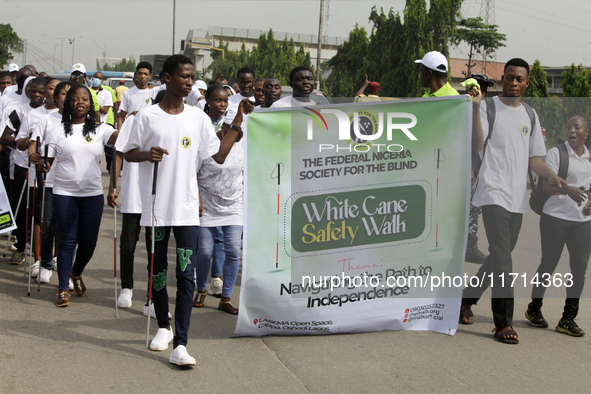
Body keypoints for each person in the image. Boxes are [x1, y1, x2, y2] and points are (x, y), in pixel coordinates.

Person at [123, 55, 249, 366]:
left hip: (188, 212)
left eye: (192, 77)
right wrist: (145, 154)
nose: (190, 82)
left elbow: (217, 156)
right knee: (159, 274)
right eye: (184, 76)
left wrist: (236, 124)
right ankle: (163, 327)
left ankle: (181, 342)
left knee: (185, 274)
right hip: (156, 210)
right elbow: (128, 153)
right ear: (167, 78)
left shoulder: (198, 118)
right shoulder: (147, 117)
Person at [460, 58, 567, 344]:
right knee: (504, 258)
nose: (514, 83)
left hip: (517, 196)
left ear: (527, 82)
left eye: (519, 79)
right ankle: (503, 323)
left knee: (498, 256)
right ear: (502, 79)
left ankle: (465, 298)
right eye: (509, 78)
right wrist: (475, 107)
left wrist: (553, 176)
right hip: (492, 191)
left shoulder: (530, 115)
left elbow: (535, 158)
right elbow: (479, 144)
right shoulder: (489, 107)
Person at [43, 85, 118, 307]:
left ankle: (76, 272)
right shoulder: (56, 131)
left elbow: (120, 140)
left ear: (90, 104)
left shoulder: (100, 129)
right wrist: (42, 163)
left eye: (84, 99)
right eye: (75, 99)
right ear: (68, 104)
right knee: (67, 241)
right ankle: (63, 288)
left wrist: (131, 124)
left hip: (92, 194)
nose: (79, 102)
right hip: (64, 193)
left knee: (88, 243)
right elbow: (47, 162)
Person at [524, 116, 591, 337]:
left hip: (582, 221)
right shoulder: (557, 153)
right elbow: (546, 186)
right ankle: (534, 308)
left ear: (586, 132)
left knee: (579, 269)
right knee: (548, 264)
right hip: (555, 218)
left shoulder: (589, 157)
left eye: (577, 127)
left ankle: (568, 318)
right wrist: (567, 189)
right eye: (569, 127)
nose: (572, 131)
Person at [193, 84, 248, 314]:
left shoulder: (244, 141)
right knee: (205, 251)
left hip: (234, 204)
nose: (222, 104)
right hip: (208, 204)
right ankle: (202, 288)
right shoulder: (207, 135)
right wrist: (196, 197)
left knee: (234, 250)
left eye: (226, 101)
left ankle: (226, 297)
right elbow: (195, 168)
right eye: (218, 100)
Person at [27, 81, 72, 284]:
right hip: (51, 181)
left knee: (68, 231)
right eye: (63, 93)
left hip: (74, 184)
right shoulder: (46, 119)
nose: (68, 97)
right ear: (56, 97)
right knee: (47, 226)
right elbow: (34, 144)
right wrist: (33, 156)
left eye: (72, 94)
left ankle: (65, 271)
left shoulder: (85, 122)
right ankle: (45, 264)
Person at [0, 76, 41, 265]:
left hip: (45, 168)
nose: (36, 94)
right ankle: (20, 245)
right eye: (32, 90)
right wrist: (19, 142)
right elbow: (4, 137)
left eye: (40, 91)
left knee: (40, 211)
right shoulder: (20, 111)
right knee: (21, 208)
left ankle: (42, 255)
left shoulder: (53, 114)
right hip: (22, 166)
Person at [463, 73, 495, 264]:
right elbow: (475, 144)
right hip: (472, 165)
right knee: (472, 208)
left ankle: (469, 245)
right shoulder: (475, 109)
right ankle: (469, 247)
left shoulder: (482, 108)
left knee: (473, 208)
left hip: (479, 165)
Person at [117, 62, 156, 130]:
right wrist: (119, 135)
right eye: (140, 73)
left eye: (145, 74)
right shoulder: (128, 93)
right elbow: (121, 117)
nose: (142, 76)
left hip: (148, 131)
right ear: (137, 74)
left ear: (149, 76)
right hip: (131, 130)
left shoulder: (154, 92)